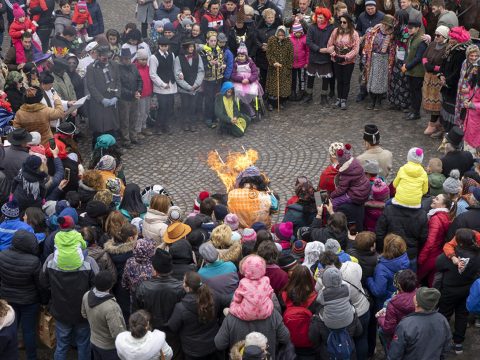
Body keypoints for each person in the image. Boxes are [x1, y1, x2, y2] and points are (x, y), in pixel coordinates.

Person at [41, 242, 99, 360]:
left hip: (60, 310)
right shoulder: (89, 261)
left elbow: (43, 282)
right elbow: (97, 285)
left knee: (61, 345)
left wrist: (54, 294)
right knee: (83, 344)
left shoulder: (51, 259)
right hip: (83, 312)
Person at [133, 249, 185, 358]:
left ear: (155, 269)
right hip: (174, 333)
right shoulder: (180, 287)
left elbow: (137, 312)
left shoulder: (143, 287)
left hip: (152, 332)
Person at [437, 228, 480, 354]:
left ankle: (439, 341)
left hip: (449, 290)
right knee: (462, 315)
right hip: (467, 289)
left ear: (459, 242)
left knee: (444, 314)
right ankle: (458, 344)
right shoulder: (477, 255)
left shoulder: (451, 255)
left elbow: (438, 265)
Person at [0, 230, 41, 360]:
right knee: (29, 331)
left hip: (7, 298)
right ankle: (31, 357)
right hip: (29, 301)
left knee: (9, 327)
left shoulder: (2, 255)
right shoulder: (34, 261)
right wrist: (43, 299)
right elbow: (39, 284)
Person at [167, 271, 225, 359]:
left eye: (183, 281)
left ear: (188, 287)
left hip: (193, 350)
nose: (182, 284)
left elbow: (173, 327)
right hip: (213, 344)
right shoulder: (215, 296)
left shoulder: (181, 308)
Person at [388, 287, 451, 359]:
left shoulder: (406, 324)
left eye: (416, 295)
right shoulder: (442, 320)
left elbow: (395, 354)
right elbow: (446, 348)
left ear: (417, 303)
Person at [81, 271, 126, 359]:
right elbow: (118, 333)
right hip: (109, 348)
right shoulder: (111, 307)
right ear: (110, 286)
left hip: (94, 341)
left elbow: (84, 314)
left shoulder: (86, 295)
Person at [85, 45, 121, 147]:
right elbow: (91, 86)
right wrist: (101, 99)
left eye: (107, 57)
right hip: (98, 103)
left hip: (112, 101)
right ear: (98, 56)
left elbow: (118, 81)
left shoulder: (114, 65)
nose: (105, 59)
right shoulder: (91, 68)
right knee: (99, 128)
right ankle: (97, 149)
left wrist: (116, 96)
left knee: (111, 126)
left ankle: (112, 147)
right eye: (103, 57)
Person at [439, 26, 471, 132]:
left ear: (459, 39)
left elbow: (457, 72)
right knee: (444, 108)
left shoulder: (462, 52)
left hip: (453, 87)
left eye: (453, 38)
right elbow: (443, 64)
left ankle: (450, 133)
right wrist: (441, 75)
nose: (451, 40)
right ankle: (444, 129)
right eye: (450, 38)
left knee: (452, 111)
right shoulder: (450, 49)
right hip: (446, 84)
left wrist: (447, 81)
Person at [361, 15, 395, 111]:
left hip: (384, 59)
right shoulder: (374, 31)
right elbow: (368, 43)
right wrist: (365, 56)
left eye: (388, 25)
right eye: (384, 24)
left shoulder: (392, 35)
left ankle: (378, 102)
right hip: (373, 58)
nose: (385, 26)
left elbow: (392, 49)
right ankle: (372, 101)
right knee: (371, 80)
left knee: (381, 82)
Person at [367, 234, 410, 309]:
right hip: (399, 297)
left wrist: (369, 280)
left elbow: (378, 291)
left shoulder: (381, 268)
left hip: (385, 303)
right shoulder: (405, 259)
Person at [376, 269, 416, 348]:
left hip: (397, 336)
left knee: (381, 331)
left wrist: (380, 317)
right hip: (414, 333)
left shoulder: (393, 303)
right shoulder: (420, 295)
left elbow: (388, 328)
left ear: (399, 286)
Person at [327, 13, 359, 110]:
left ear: (348, 22)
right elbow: (330, 44)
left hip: (348, 61)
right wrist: (334, 54)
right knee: (339, 80)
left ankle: (344, 99)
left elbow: (356, 49)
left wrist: (346, 57)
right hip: (336, 59)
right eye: (340, 22)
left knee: (346, 80)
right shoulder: (335, 31)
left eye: (344, 22)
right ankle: (338, 98)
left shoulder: (354, 33)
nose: (342, 24)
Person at [422, 25, 449, 136]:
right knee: (429, 100)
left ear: (444, 36)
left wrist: (434, 68)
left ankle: (433, 123)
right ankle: (434, 122)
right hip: (428, 77)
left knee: (437, 102)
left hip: (438, 78)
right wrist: (426, 65)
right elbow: (424, 57)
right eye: (435, 35)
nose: (436, 37)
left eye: (439, 35)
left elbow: (444, 65)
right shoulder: (432, 44)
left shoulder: (446, 48)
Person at [304, 7, 335, 104]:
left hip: (325, 58)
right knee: (310, 77)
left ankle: (324, 97)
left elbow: (334, 40)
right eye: (318, 17)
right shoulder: (312, 27)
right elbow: (308, 42)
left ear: (326, 18)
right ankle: (309, 95)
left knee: (325, 78)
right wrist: (319, 49)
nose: (319, 19)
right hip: (314, 57)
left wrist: (330, 49)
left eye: (321, 18)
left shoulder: (331, 28)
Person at [174, 39, 205, 132]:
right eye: (189, 47)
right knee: (185, 105)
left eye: (192, 47)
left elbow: (201, 71)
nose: (191, 48)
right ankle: (185, 123)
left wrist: (196, 84)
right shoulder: (178, 58)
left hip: (195, 87)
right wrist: (187, 86)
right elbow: (177, 74)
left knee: (193, 105)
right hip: (184, 88)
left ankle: (193, 123)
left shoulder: (197, 57)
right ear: (185, 48)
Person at [149, 36, 177, 135]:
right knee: (162, 107)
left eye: (166, 46)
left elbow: (173, 68)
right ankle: (158, 127)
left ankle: (166, 125)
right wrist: (162, 84)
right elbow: (153, 74)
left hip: (170, 85)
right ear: (159, 46)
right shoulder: (154, 57)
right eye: (162, 46)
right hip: (160, 87)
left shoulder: (171, 55)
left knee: (169, 107)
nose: (164, 48)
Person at [401, 19, 426, 121]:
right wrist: (405, 64)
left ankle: (416, 112)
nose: (409, 30)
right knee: (412, 91)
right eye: (408, 28)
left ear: (418, 28)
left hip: (417, 72)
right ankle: (413, 109)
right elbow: (408, 52)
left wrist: (407, 66)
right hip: (411, 70)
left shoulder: (421, 40)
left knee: (416, 92)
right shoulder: (412, 37)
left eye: (411, 28)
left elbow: (418, 58)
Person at [118, 48, 143, 149]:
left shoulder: (134, 67)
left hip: (134, 97)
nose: (127, 60)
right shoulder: (118, 69)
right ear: (121, 59)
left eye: (128, 58)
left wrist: (139, 90)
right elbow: (119, 87)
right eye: (125, 59)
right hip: (124, 99)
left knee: (134, 118)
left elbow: (139, 79)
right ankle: (126, 140)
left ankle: (133, 136)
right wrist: (133, 93)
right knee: (124, 120)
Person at [231, 42, 262, 118]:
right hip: (239, 82)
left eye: (242, 56)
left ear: (246, 56)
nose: (240, 57)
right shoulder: (235, 64)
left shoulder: (250, 63)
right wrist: (241, 79)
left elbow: (255, 73)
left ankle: (253, 107)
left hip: (249, 81)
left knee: (253, 91)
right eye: (239, 56)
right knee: (238, 92)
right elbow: (233, 75)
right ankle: (245, 108)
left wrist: (249, 80)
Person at [387, 9, 410, 112]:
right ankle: (395, 101)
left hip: (403, 57)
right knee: (395, 79)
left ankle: (403, 103)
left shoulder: (405, 30)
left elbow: (403, 41)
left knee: (402, 81)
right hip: (397, 55)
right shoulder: (398, 27)